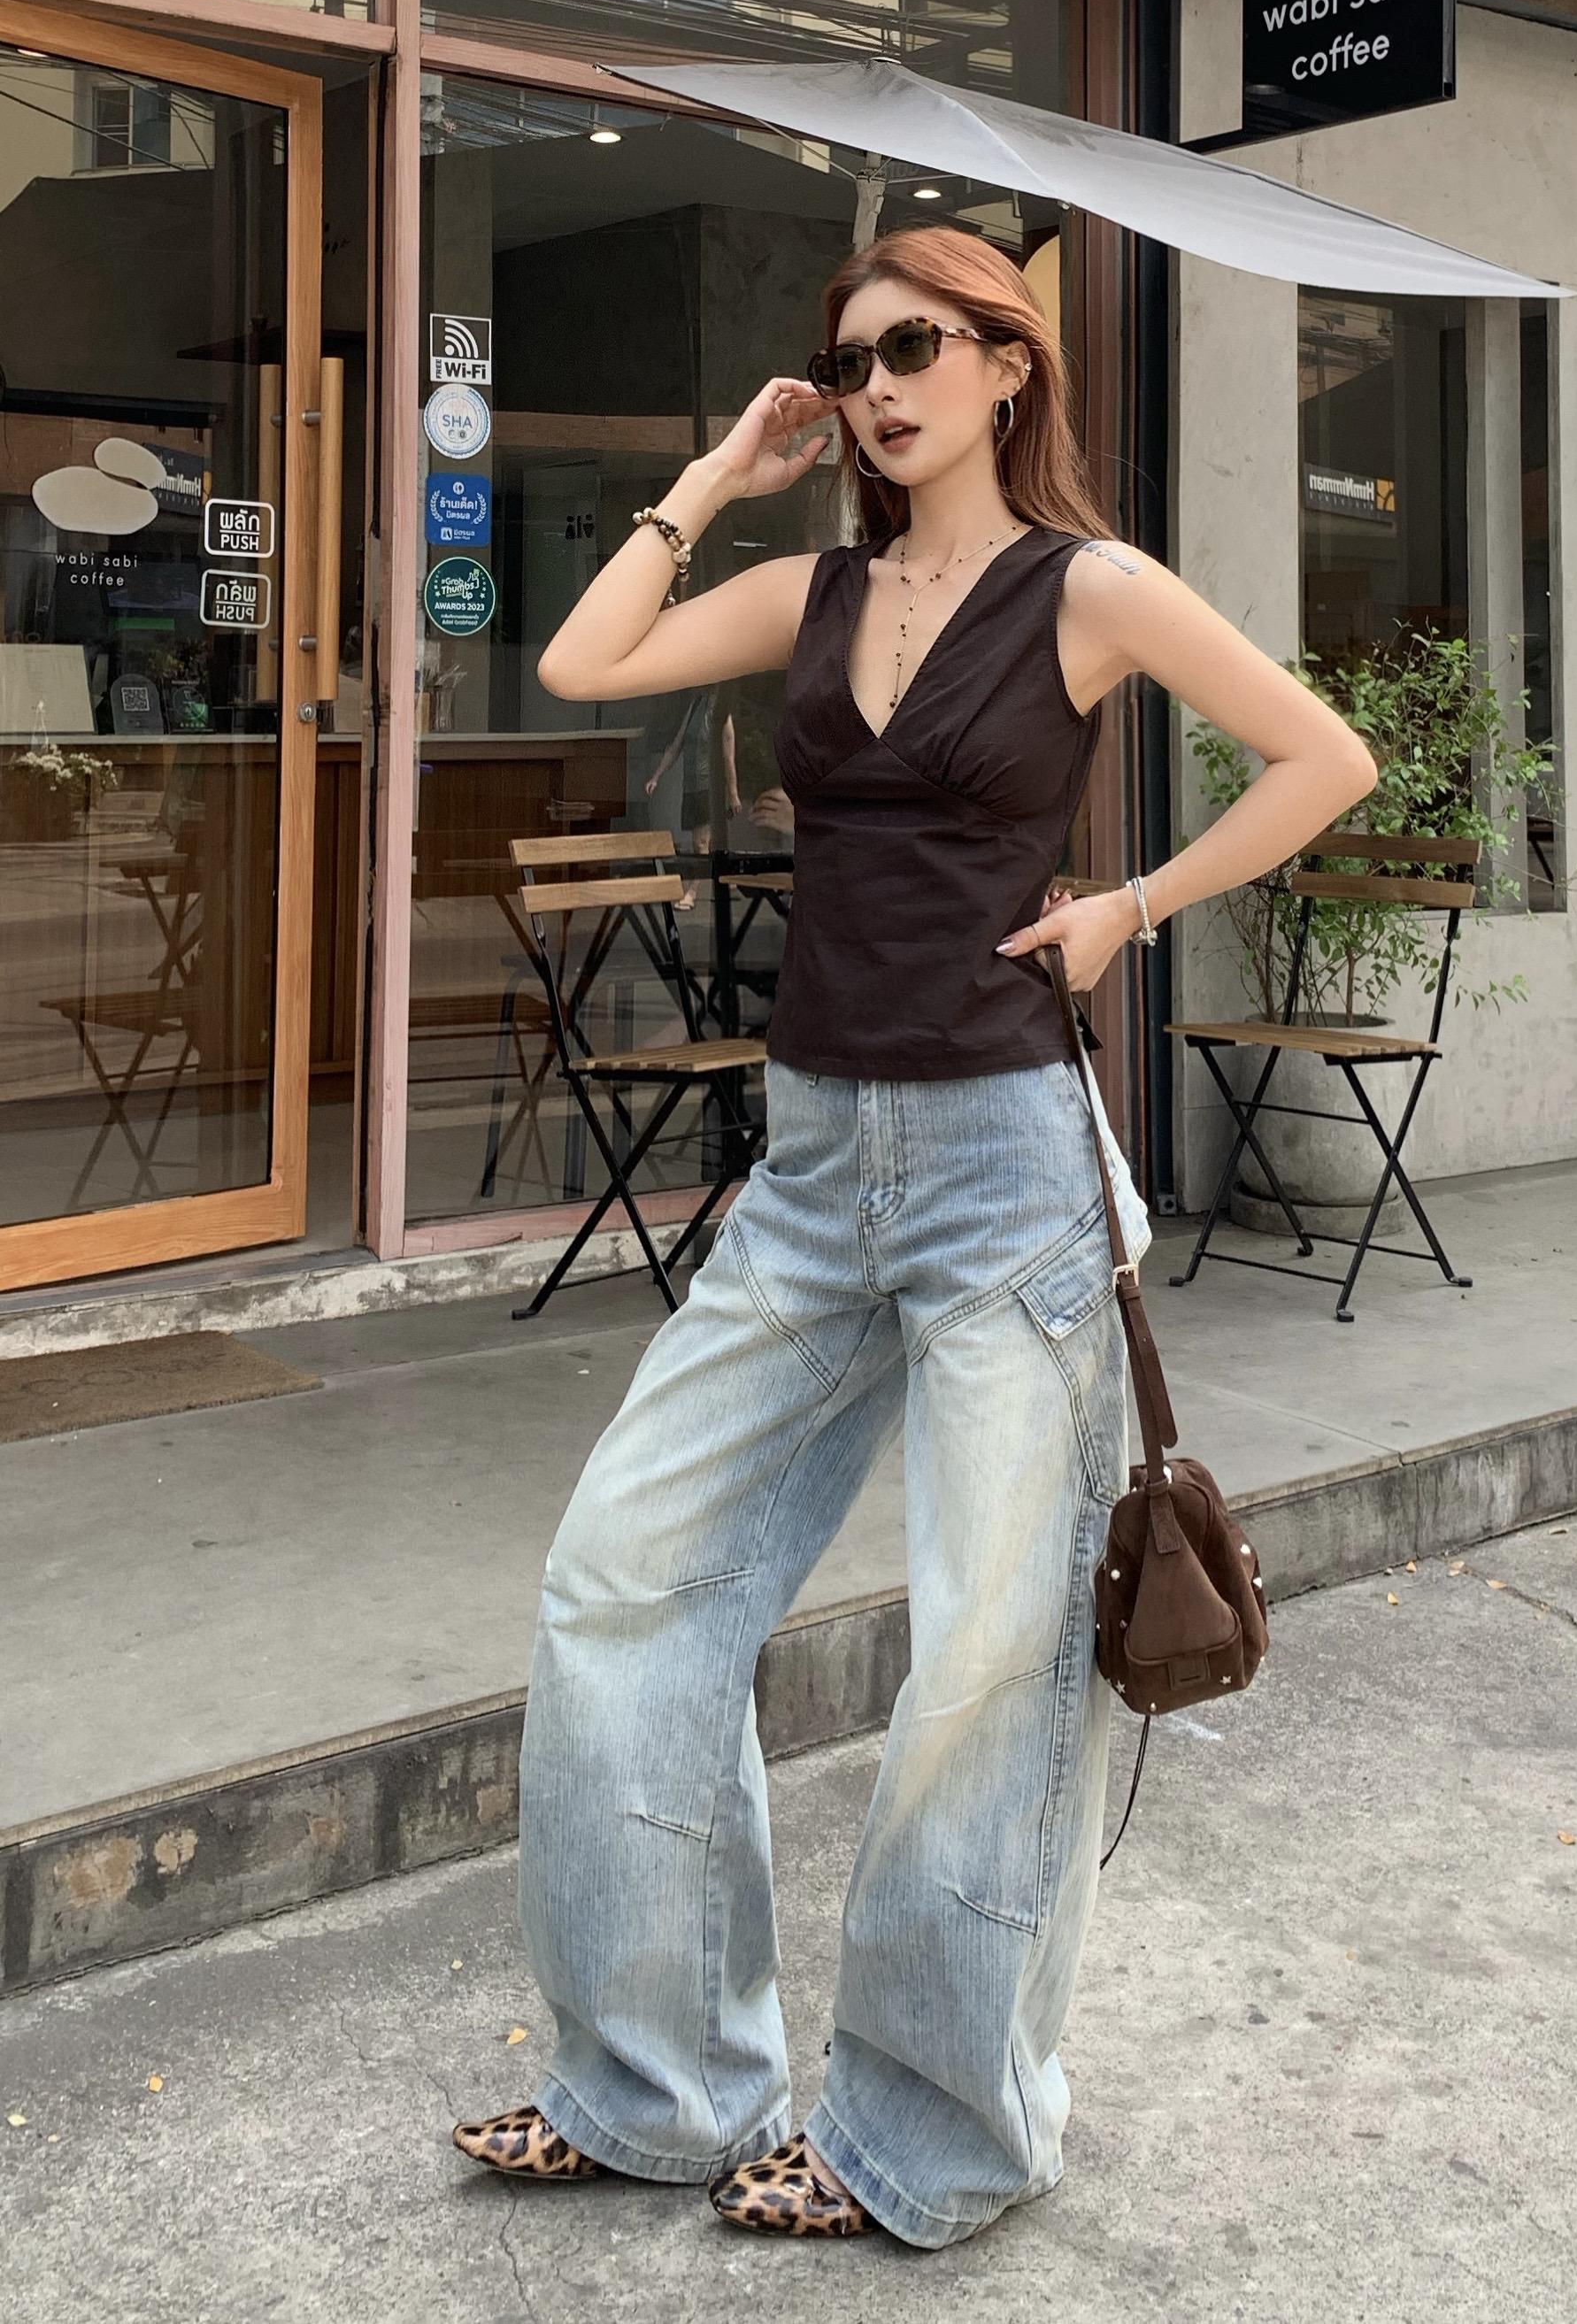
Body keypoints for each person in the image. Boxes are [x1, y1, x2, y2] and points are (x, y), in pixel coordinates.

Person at [452, 225, 1376, 2247]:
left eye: (913, 347)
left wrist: (1131, 904)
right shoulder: (811, 588)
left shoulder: (1088, 587)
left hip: (1000, 1170)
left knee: (983, 1661)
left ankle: (933, 2133)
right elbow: (582, 660)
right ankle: (655, 2086)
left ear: (1005, 366)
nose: (875, 384)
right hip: (810, 1169)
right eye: (851, 355)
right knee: (623, 1580)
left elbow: (1326, 757)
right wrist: (723, 468)